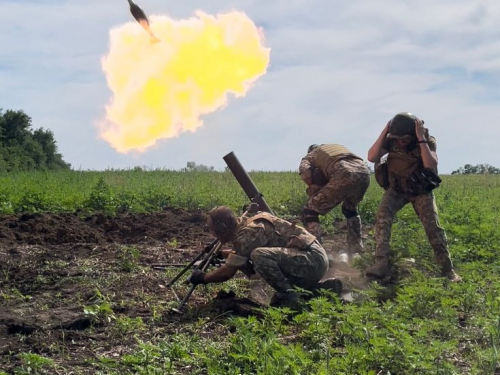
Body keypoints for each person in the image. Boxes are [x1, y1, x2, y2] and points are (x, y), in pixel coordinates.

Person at [365, 112, 462, 282]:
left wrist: (421, 138)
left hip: (420, 190)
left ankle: (448, 271)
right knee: (382, 216)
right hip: (397, 189)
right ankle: (381, 263)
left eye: (404, 137)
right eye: (397, 137)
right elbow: (372, 156)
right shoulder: (391, 140)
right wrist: (385, 132)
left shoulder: (426, 140)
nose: (400, 141)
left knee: (433, 227)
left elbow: (431, 164)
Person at [189, 205, 342, 307]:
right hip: (310, 259)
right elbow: (240, 255)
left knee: (258, 256)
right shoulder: (246, 228)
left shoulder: (248, 234)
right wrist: (219, 253)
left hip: (311, 260)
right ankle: (320, 290)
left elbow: (228, 272)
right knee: (258, 256)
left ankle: (290, 298)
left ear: (222, 228)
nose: (212, 234)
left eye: (212, 230)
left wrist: (203, 278)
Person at [298, 144, 371, 259]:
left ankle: (317, 253)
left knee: (309, 211)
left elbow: (305, 171)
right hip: (364, 173)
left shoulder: (312, 155)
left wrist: (312, 187)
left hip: (344, 172)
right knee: (350, 210)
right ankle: (356, 250)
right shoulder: (333, 149)